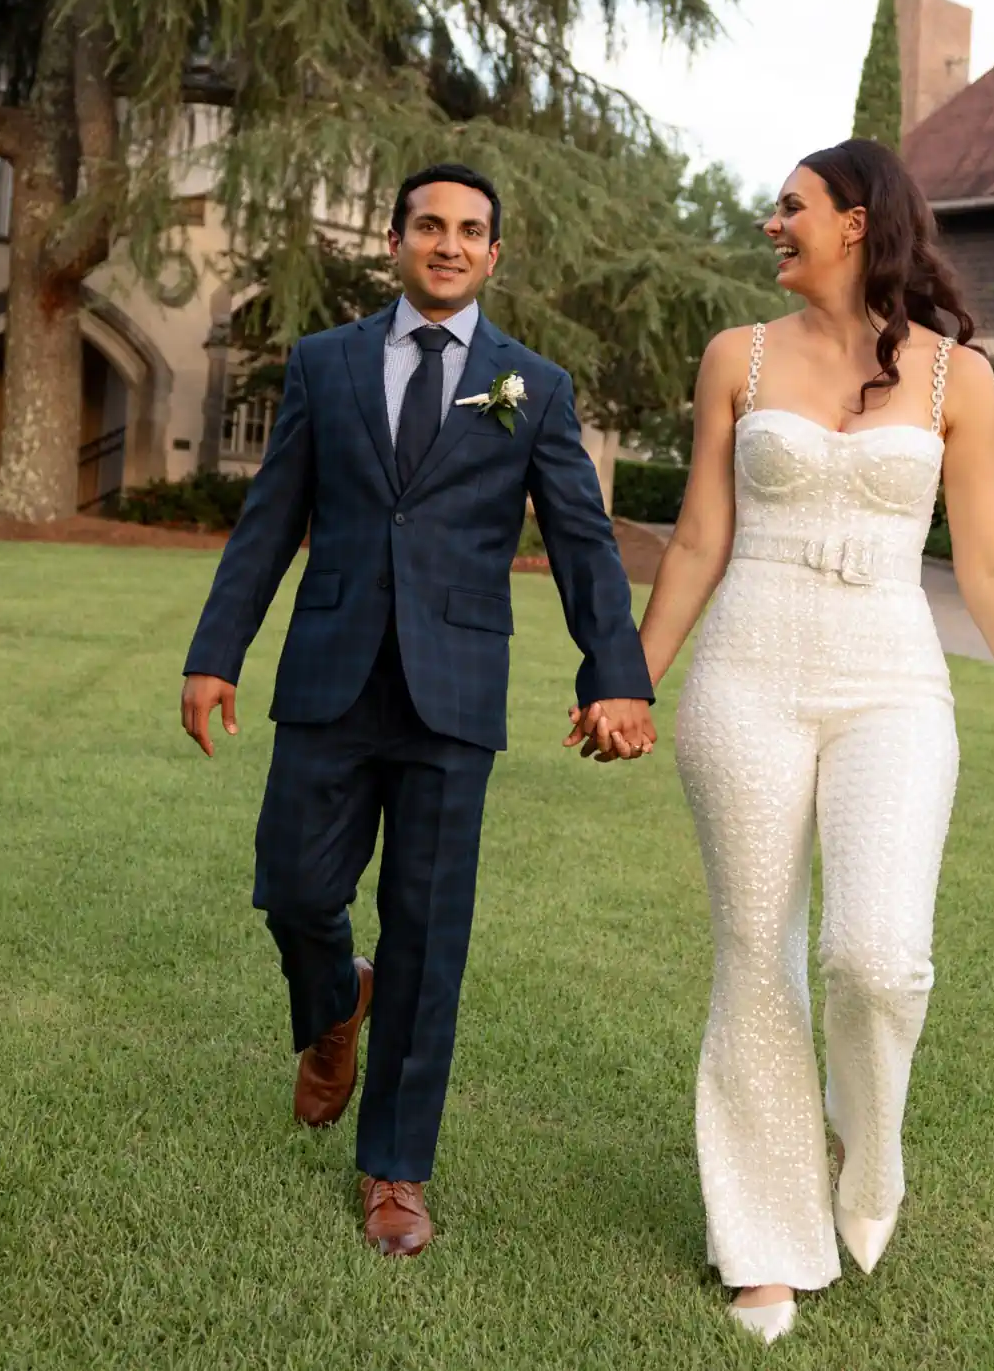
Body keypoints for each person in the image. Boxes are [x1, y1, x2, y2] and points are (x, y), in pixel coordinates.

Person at [632, 138, 994, 1342]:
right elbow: (693, 542)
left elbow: (986, 561)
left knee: (876, 957)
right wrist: (632, 679)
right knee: (754, 954)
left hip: (891, 679)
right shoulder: (736, 357)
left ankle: (865, 1153)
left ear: (856, 220)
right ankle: (767, 1242)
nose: (771, 222)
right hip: (746, 673)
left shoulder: (956, 381)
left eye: (792, 206)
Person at [179, 162, 655, 1259]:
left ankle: (395, 1170)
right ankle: (335, 1003)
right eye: (429, 226)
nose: (448, 243)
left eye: (470, 231)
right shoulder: (325, 365)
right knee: (293, 887)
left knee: (431, 937)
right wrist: (216, 654)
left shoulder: (530, 386)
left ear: (495, 256)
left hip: (455, 695)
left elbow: (581, 540)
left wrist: (614, 673)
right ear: (394, 241)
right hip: (329, 675)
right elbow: (268, 522)